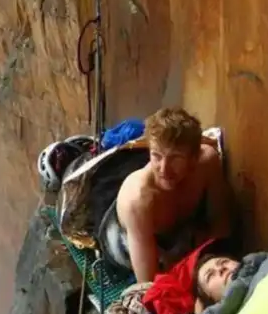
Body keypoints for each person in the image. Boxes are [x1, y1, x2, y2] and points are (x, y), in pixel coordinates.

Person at [98, 106, 234, 283]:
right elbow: (148, 283)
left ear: (193, 157)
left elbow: (221, 225)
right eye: (156, 156)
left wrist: (214, 257)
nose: (164, 169)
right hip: (125, 237)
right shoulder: (139, 199)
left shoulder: (207, 162)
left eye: (176, 158)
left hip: (176, 234)